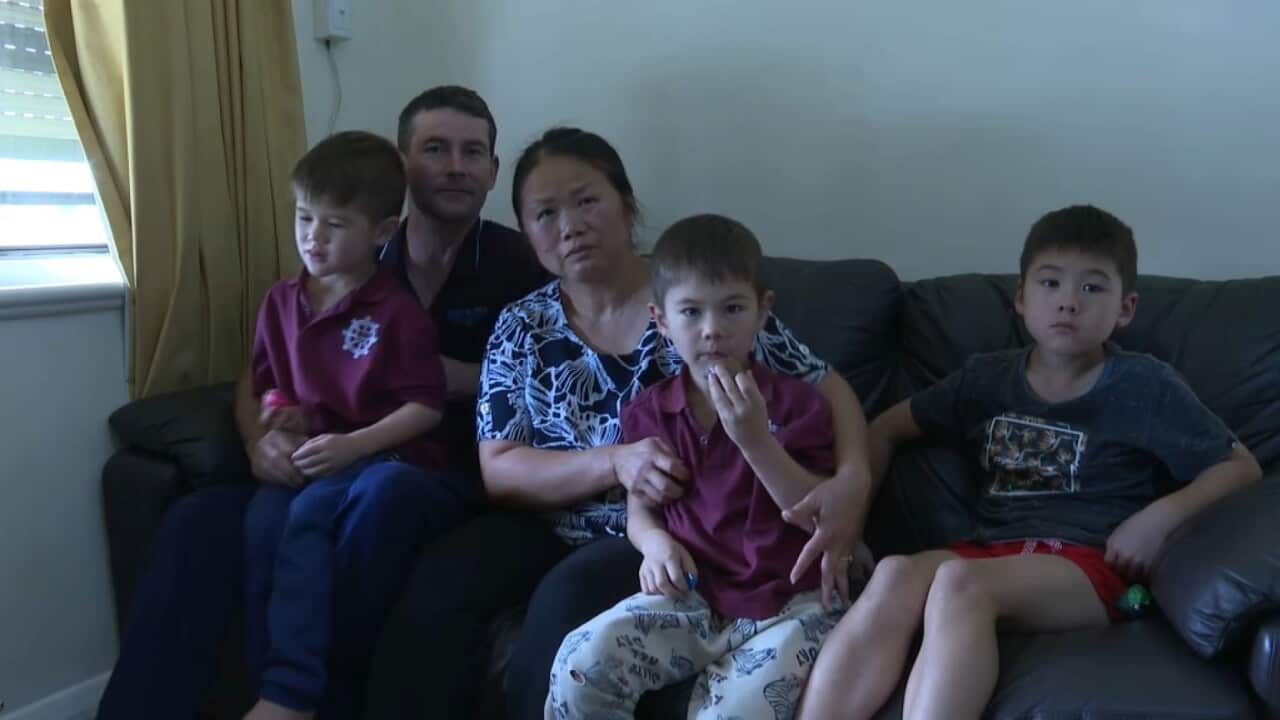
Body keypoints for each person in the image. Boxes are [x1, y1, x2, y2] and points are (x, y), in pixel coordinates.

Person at [367, 126, 874, 719]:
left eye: (586, 201)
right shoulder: (522, 325)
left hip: (662, 530)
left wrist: (854, 481)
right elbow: (500, 469)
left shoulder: (695, 304)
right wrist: (614, 459)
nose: (570, 225)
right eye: (545, 213)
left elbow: (828, 388)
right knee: (438, 587)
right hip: (545, 521)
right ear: (528, 233)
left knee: (565, 602)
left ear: (627, 206)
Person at [97, 85, 547, 720]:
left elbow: (555, 378)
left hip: (446, 468)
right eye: (436, 149)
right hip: (326, 457)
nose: (455, 166)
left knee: (378, 501)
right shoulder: (347, 247)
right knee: (197, 523)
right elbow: (260, 374)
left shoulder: (520, 262)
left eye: (473, 153)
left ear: (493, 171)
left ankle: (308, 693)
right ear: (402, 163)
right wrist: (261, 440)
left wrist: (457, 376)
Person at [796, 205, 1264, 720]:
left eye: (1092, 288)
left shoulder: (1144, 385)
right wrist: (852, 526)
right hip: (991, 550)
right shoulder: (987, 379)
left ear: (1125, 308)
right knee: (894, 573)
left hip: (1087, 567)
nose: (1068, 302)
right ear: (1021, 298)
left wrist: (1158, 520)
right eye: (1050, 283)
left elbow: (1240, 466)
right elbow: (883, 429)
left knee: (959, 584)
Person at [545, 214, 868, 719]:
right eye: (691, 312)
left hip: (791, 604)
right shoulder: (649, 412)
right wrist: (654, 544)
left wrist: (755, 440)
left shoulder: (800, 406)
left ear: (763, 313)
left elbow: (816, 521)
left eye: (732, 309)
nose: (712, 330)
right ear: (661, 320)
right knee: (580, 665)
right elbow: (640, 511)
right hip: (693, 598)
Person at [239, 129, 462, 720]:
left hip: (384, 455)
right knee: (264, 521)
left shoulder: (396, 312)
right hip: (317, 451)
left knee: (312, 514)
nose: (314, 237)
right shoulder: (280, 301)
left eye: (335, 225)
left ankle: (293, 691)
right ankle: (269, 682)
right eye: (305, 217)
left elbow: (426, 407)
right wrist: (279, 418)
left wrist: (350, 446)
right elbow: (269, 381)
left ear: (383, 232)